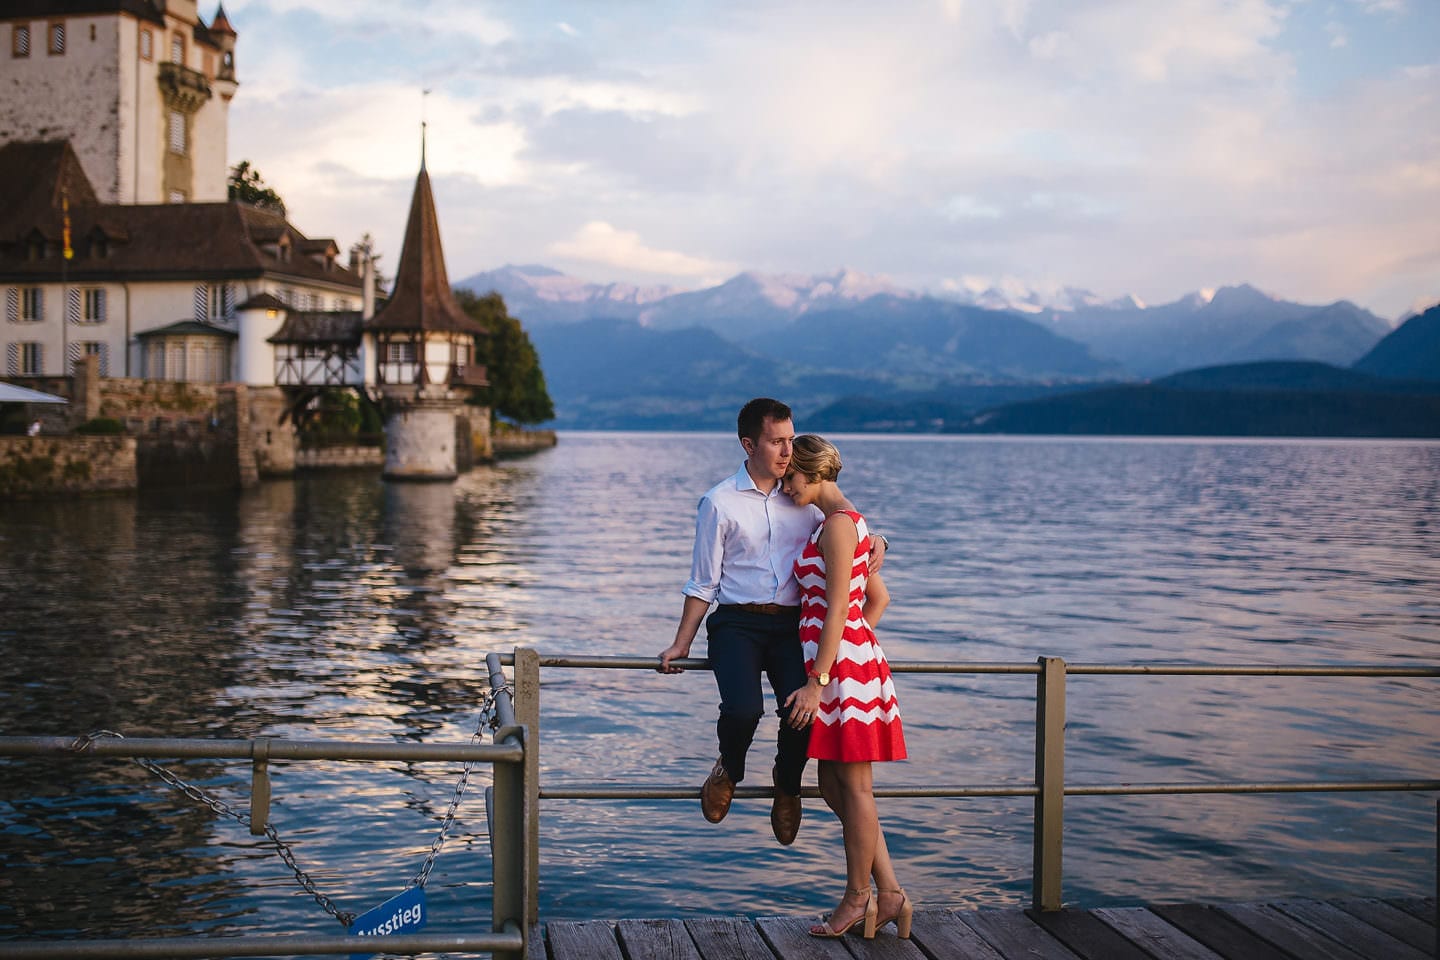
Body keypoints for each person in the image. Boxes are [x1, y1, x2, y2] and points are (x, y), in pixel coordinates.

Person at [657, 398, 885, 846]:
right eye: (777, 441)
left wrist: (880, 539)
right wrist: (681, 641)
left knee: (801, 712)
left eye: (790, 439)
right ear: (749, 445)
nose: (788, 450)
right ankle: (729, 767)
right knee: (744, 710)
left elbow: (849, 528)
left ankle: (787, 783)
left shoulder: (804, 498)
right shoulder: (719, 503)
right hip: (737, 624)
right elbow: (702, 582)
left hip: (793, 627)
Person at [781, 434, 910, 940]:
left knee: (853, 787)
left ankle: (859, 898)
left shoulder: (836, 527)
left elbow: (839, 607)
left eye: (792, 477)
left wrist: (821, 678)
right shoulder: (849, 522)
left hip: (835, 673)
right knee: (836, 785)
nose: (787, 485)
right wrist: (858, 645)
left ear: (813, 475)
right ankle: (891, 890)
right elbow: (877, 598)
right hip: (845, 664)